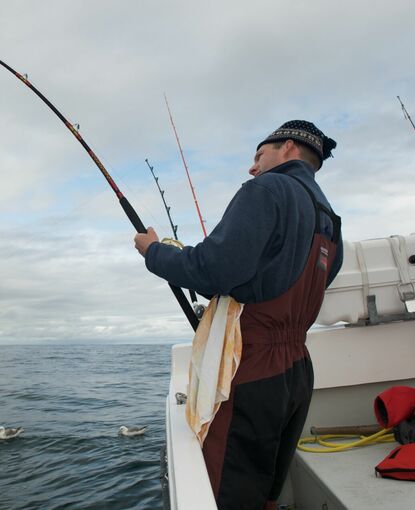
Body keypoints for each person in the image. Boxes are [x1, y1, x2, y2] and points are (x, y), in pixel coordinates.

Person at [134, 120, 343, 510]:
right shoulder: (330, 217)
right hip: (298, 371)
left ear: (288, 147)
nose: (252, 167)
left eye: (259, 155)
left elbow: (211, 270)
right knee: (267, 487)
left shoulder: (267, 189)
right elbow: (292, 280)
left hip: (252, 369)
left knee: (229, 490)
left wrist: (154, 252)